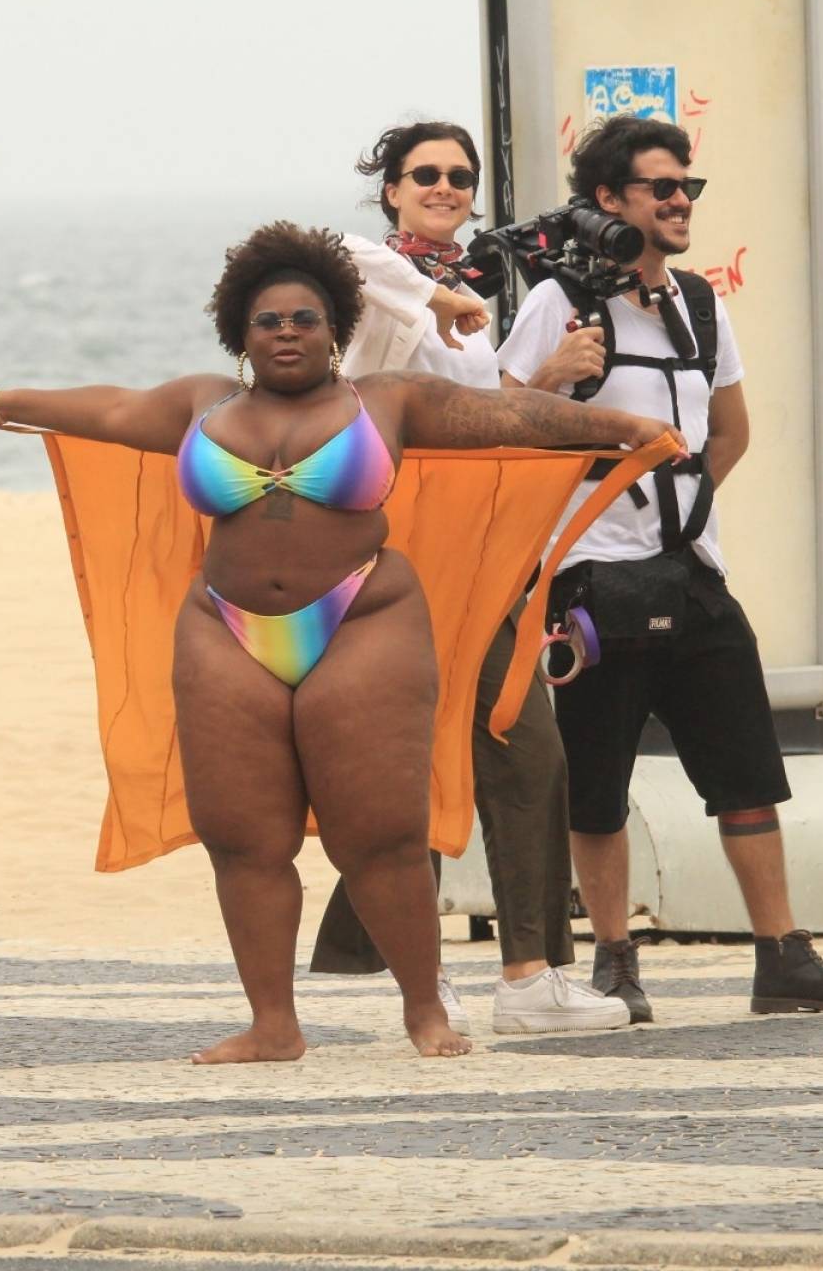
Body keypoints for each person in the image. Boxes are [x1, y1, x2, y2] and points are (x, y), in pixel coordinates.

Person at [0, 221, 683, 1063]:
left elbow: (502, 413)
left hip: (362, 619)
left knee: (378, 836)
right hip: (224, 631)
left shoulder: (387, 401)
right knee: (242, 837)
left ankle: (424, 1012)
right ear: (240, 333)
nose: (288, 332)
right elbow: (112, 409)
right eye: (270, 321)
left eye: (305, 319)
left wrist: (621, 429)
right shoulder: (201, 404)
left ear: (336, 328)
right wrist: (3, 403)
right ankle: (274, 1025)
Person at [497, 116, 823, 1018]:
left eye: (689, 188)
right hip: (592, 585)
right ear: (610, 200)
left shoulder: (701, 304)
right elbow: (497, 423)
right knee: (598, 783)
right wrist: (557, 377)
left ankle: (782, 956)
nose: (681, 201)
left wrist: (678, 505)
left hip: (691, 574)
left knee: (747, 771)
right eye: (662, 188)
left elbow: (734, 429)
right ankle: (613, 961)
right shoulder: (557, 304)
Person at [308, 120, 627, 1035]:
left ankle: (530, 974)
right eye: (425, 175)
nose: (445, 187)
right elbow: (324, 248)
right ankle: (424, 980)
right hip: (390, 568)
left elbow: (473, 419)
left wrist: (545, 383)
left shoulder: (466, 300)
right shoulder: (368, 290)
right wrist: (434, 296)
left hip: (480, 566)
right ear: (393, 190)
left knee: (527, 752)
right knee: (412, 770)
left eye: (460, 176)